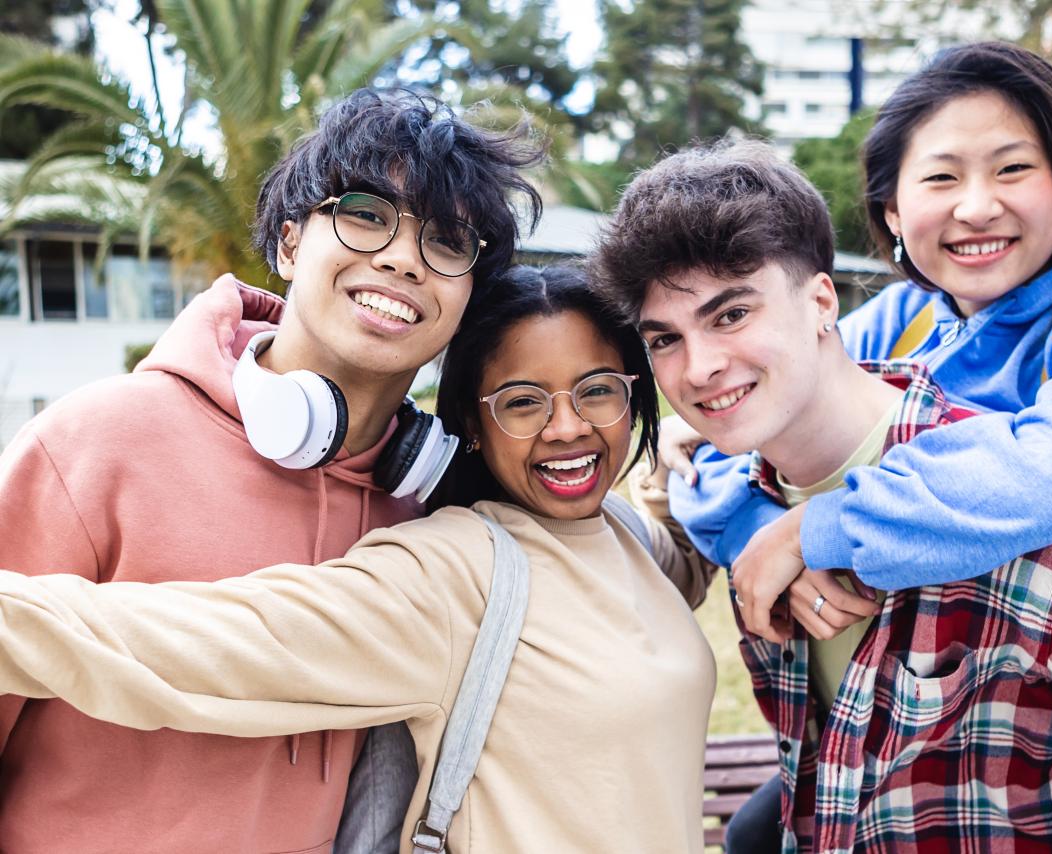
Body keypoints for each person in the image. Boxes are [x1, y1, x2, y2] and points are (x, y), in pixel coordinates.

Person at [588, 136, 1052, 852]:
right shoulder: (753, 498)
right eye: (664, 338)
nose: (698, 367)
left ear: (822, 301)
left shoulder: (1048, 527)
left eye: (732, 315)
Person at [0, 265, 718, 853]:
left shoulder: (622, 531)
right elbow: (215, 641)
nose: (568, 428)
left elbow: (678, 566)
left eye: (597, 391)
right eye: (522, 403)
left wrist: (703, 471)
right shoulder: (454, 575)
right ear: (469, 425)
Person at [0, 89, 542, 852]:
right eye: (365, 212)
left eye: (447, 241)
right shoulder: (97, 441)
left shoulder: (428, 506)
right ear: (289, 243)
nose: (399, 257)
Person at [659, 41, 1052, 644]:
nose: (978, 207)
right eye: (941, 177)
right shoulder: (905, 316)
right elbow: (712, 461)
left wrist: (817, 530)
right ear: (892, 212)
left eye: (1012, 169)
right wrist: (762, 535)